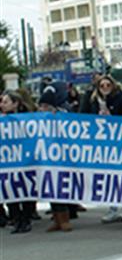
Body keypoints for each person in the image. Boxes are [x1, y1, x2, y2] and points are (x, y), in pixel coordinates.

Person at [83, 75, 122, 225]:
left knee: (121, 175)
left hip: (118, 142)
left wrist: (112, 116)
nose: (105, 88)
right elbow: (84, 117)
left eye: (107, 85)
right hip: (102, 144)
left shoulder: (119, 98)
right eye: (102, 85)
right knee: (108, 177)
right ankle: (113, 208)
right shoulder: (93, 100)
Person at [37, 83, 76, 232]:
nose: (43, 109)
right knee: (51, 189)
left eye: (46, 105)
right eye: (41, 106)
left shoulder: (63, 114)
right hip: (46, 158)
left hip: (61, 158)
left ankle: (65, 218)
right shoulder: (37, 119)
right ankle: (56, 218)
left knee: (60, 188)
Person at [1, 90, 37, 234]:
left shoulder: (29, 119)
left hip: (25, 160)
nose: (2, 105)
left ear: (15, 104)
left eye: (5, 102)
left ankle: (26, 219)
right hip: (7, 161)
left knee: (26, 189)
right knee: (9, 190)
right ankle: (16, 219)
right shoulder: (2, 120)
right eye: (2, 102)